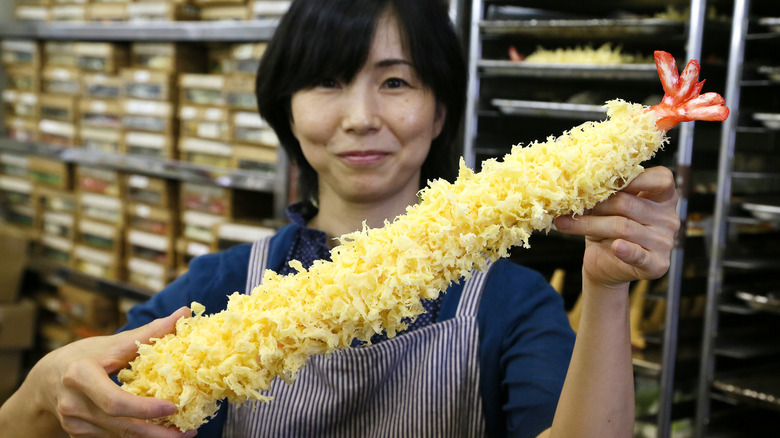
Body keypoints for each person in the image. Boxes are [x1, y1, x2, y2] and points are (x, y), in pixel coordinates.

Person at [0, 0, 680, 437]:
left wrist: (608, 289)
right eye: (327, 80)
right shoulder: (217, 288)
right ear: (287, 113)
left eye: (395, 81)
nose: (361, 117)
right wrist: (39, 392)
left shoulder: (511, 302)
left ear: (440, 110)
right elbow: (83, 411)